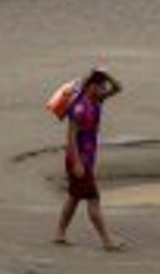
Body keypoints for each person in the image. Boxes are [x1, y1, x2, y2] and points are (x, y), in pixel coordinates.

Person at [54, 67, 126, 250]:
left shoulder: (96, 100)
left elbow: (119, 88)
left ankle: (59, 233)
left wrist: (106, 74)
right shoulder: (79, 107)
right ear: (91, 87)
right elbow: (70, 138)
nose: (103, 90)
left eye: (103, 87)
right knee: (94, 199)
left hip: (87, 158)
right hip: (79, 160)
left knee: (74, 197)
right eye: (100, 86)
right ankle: (107, 240)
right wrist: (77, 163)